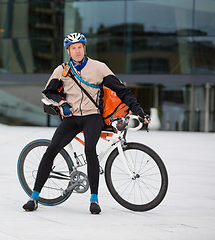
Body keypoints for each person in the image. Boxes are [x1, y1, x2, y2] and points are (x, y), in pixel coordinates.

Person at [22, 32, 151, 214]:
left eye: (80, 47)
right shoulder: (62, 70)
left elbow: (122, 91)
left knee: (90, 151)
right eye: (73, 48)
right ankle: (34, 198)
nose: (77, 51)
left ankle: (94, 200)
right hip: (71, 118)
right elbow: (48, 92)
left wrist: (139, 111)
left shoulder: (99, 68)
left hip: (92, 117)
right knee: (51, 149)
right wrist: (62, 103)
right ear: (68, 50)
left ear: (84, 48)